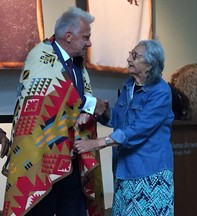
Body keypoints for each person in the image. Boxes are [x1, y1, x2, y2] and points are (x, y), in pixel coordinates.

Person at [2, 7, 106, 216]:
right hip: (41, 159)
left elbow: (74, 98)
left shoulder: (77, 64)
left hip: (74, 158)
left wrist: (91, 106)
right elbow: (44, 103)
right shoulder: (40, 57)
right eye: (85, 37)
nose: (89, 43)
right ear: (69, 36)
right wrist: (90, 103)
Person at [75, 40, 175, 215]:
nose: (128, 59)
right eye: (130, 53)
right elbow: (118, 121)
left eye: (135, 56)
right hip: (124, 170)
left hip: (150, 172)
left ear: (150, 65)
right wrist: (104, 112)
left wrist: (97, 143)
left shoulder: (161, 92)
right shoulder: (129, 85)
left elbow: (138, 130)